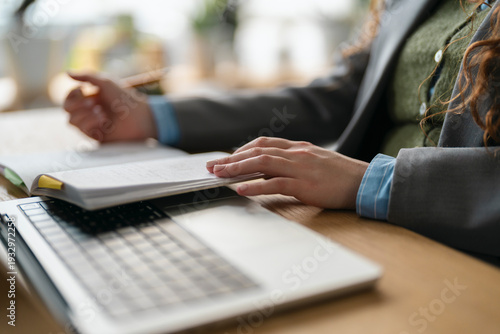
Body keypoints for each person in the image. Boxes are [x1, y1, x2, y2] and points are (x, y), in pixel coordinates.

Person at [64, 0, 500, 262]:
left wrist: (373, 182)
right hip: (358, 232)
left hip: (461, 261)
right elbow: (336, 97)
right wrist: (153, 118)